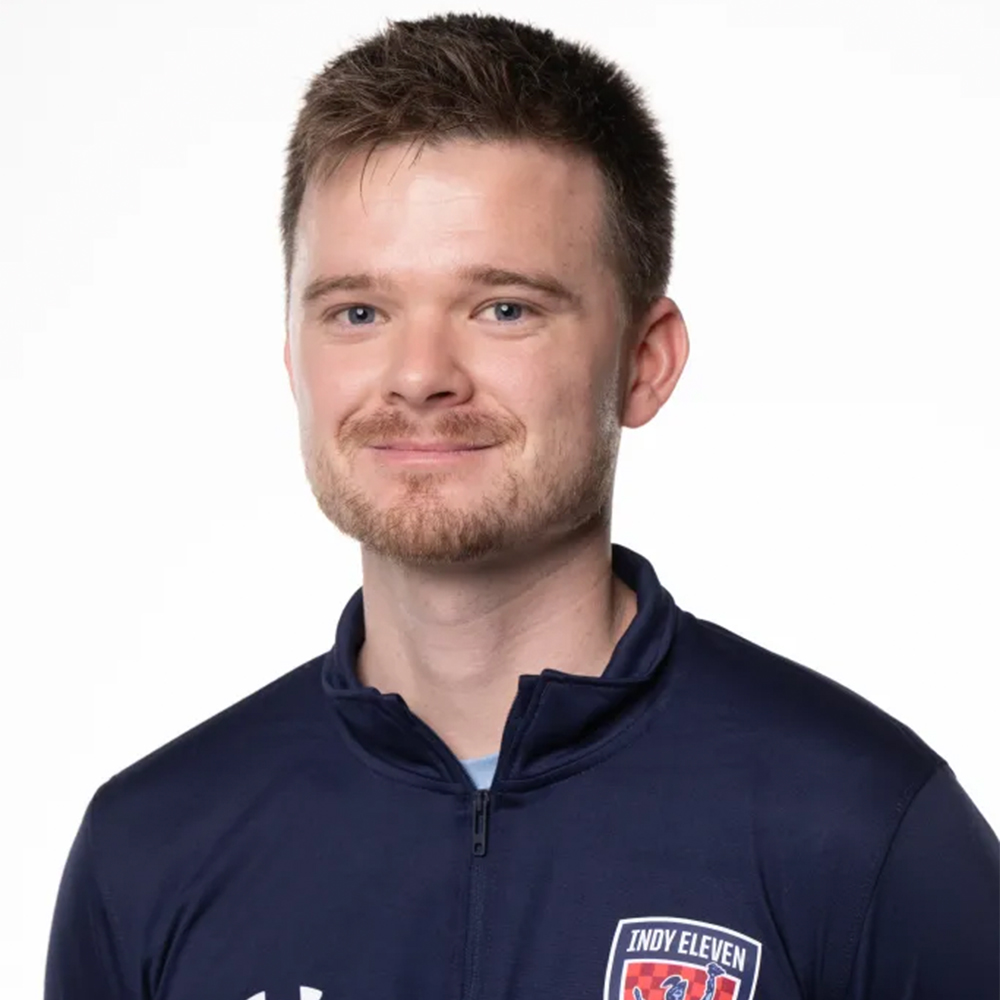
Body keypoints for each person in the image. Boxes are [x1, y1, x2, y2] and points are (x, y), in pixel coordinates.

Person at [44, 12, 998, 1000]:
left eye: (503, 307)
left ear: (643, 362)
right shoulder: (147, 851)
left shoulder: (862, 828)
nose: (419, 374)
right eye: (358, 312)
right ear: (296, 359)